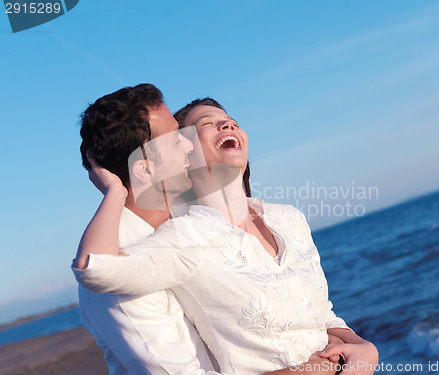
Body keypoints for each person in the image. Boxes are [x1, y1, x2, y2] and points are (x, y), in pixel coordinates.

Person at [73, 97, 379, 375]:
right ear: (183, 160)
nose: (227, 124)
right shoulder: (183, 238)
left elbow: (321, 314)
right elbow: (96, 267)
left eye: (230, 120)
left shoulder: (288, 219)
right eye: (200, 127)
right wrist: (115, 191)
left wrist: (366, 349)